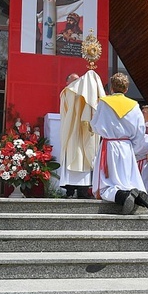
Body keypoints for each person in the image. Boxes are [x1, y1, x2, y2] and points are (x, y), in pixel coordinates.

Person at [91, 73, 148, 215]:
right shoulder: (134, 105)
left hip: (109, 146)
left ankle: (124, 196)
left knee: (106, 184)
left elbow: (95, 125)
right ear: (127, 89)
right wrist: (133, 147)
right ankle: (140, 195)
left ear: (111, 88)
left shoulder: (104, 103)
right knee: (128, 179)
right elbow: (140, 130)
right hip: (127, 147)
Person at [59, 71, 104, 199]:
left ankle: (83, 190)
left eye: (79, 81)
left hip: (84, 130)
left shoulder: (86, 93)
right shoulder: (67, 92)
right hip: (72, 131)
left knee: (84, 158)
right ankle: (70, 190)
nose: (78, 84)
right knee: (74, 156)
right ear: (67, 82)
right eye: (74, 81)